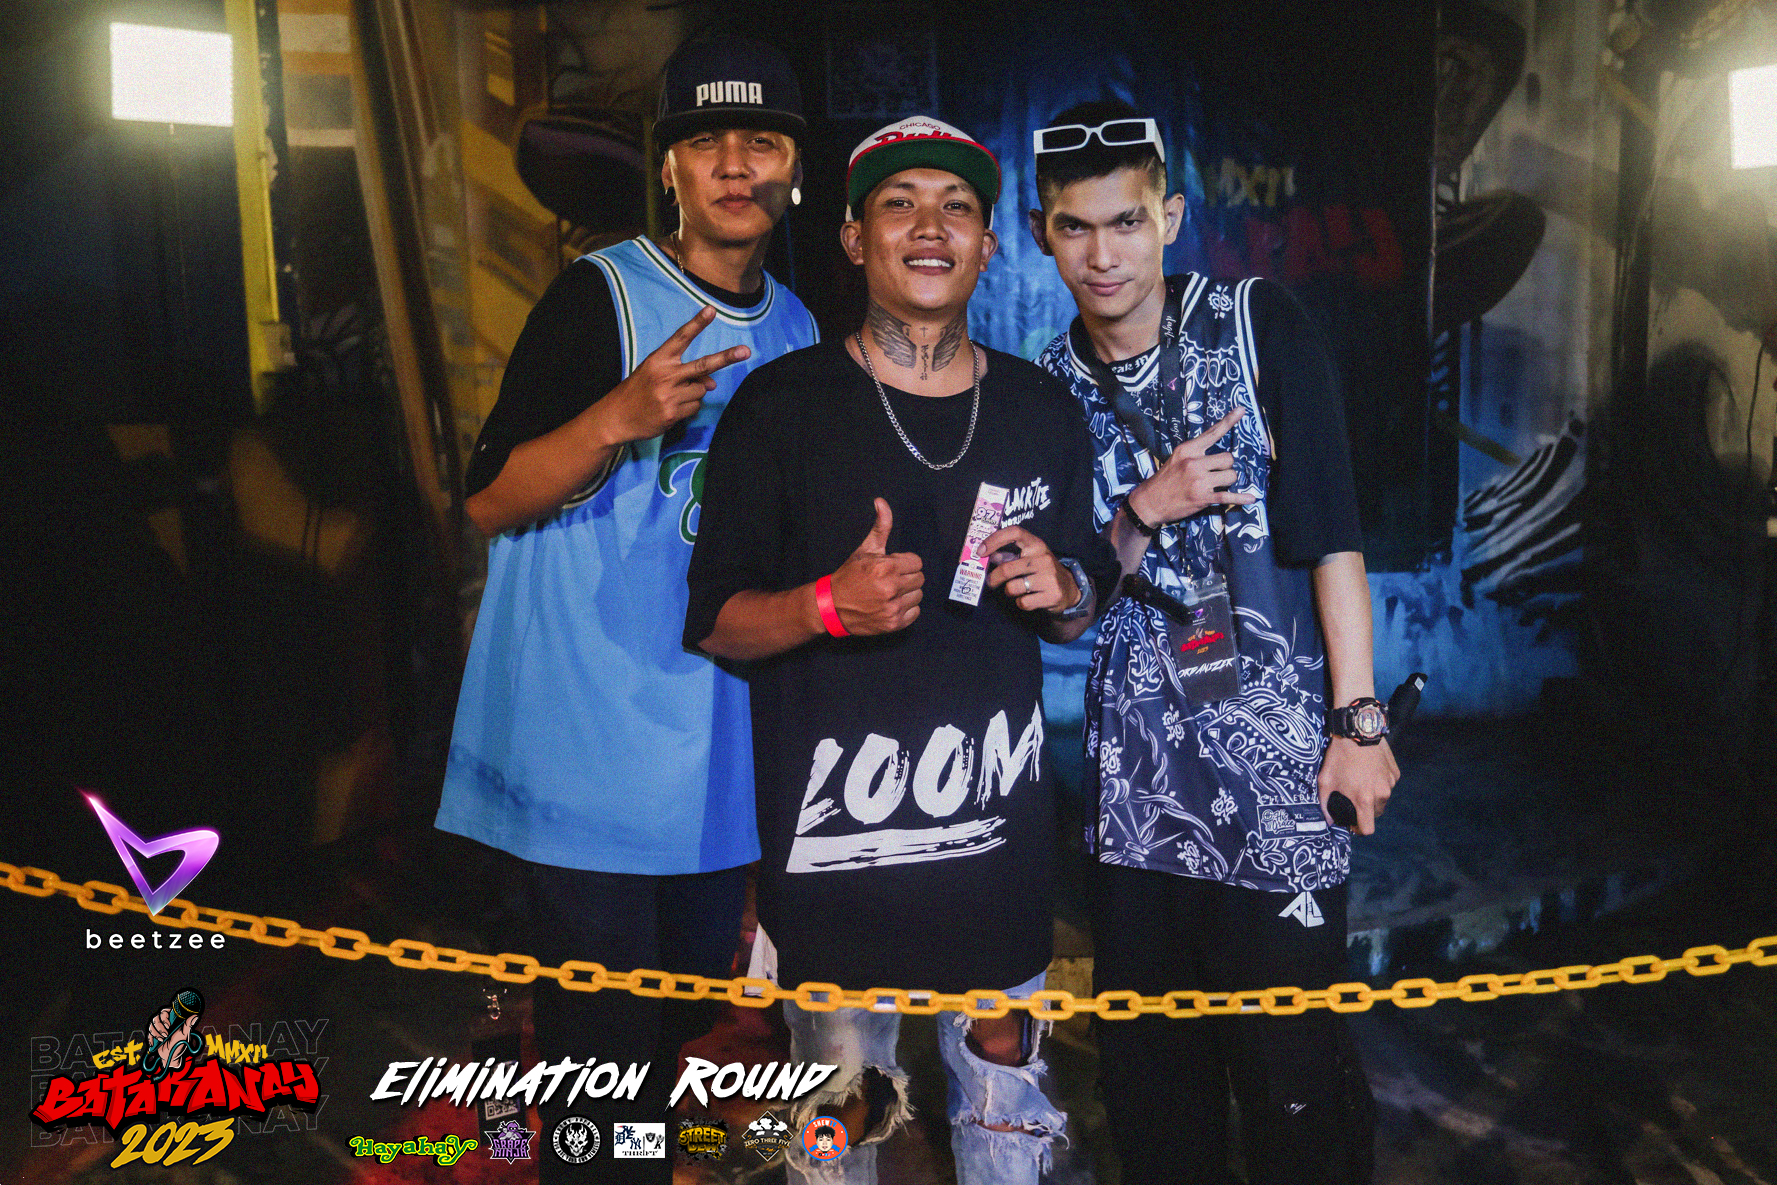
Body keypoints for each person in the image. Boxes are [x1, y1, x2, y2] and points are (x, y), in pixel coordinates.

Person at [684, 116, 1119, 1185]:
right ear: (852, 238)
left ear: (988, 245)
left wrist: (1064, 588)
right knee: (836, 1131)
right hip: (840, 870)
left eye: (956, 206)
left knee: (1005, 1111)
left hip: (996, 862)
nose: (930, 226)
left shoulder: (1039, 409)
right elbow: (715, 620)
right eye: (899, 204)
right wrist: (825, 606)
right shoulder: (780, 407)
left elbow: (1075, 609)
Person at [432, 37, 817, 1183]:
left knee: (678, 1012)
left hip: (709, 749)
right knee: (600, 1054)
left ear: (794, 171)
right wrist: (616, 416)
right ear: (670, 170)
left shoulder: (798, 329)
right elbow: (488, 501)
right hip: (588, 746)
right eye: (706, 142)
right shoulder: (598, 296)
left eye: (761, 142)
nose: (734, 164)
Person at [1027, 99, 1401, 1184]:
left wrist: (1358, 723)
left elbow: (1332, 535)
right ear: (1044, 233)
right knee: (1154, 1088)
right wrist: (1142, 508)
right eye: (1075, 227)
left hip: (1283, 783)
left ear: (1171, 218)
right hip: (1137, 802)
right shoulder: (1046, 389)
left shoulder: (1256, 323)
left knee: (1293, 1083)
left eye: (1125, 221)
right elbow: (1071, 611)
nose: (1103, 255)